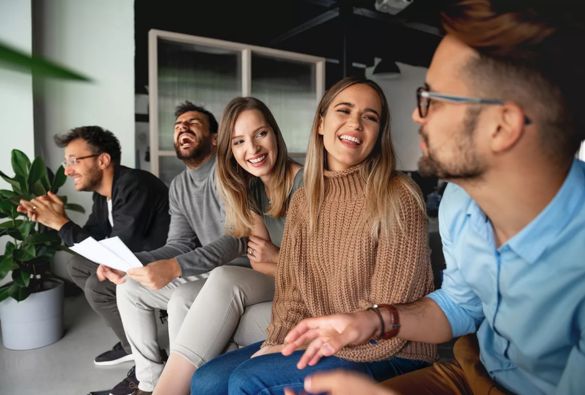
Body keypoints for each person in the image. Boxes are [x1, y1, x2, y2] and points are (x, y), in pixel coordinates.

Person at [281, 1, 585, 394]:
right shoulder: (460, 201)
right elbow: (459, 306)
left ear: (502, 126)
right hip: (469, 372)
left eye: (434, 99)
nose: (416, 116)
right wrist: (373, 321)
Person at [190, 76, 436, 394]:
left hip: (393, 352)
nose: (356, 124)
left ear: (378, 134)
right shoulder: (306, 199)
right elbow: (292, 287)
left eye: (369, 117)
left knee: (247, 381)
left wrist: (315, 344)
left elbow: (391, 310)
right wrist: (279, 342)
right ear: (321, 124)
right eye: (344, 111)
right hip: (325, 339)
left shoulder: (398, 195)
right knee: (205, 381)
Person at [99, 101, 255, 395]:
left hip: (240, 269)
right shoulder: (179, 186)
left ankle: (183, 386)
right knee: (129, 287)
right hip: (208, 270)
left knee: (181, 297)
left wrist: (177, 267)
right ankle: (150, 383)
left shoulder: (231, 172)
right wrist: (131, 262)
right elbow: (179, 243)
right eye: (178, 125)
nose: (183, 127)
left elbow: (237, 239)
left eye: (193, 123)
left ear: (214, 138)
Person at [152, 97, 303, 395]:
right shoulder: (249, 188)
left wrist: (277, 255)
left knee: (223, 281)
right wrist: (276, 259)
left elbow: (324, 270)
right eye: (239, 142)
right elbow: (258, 262)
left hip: (309, 289)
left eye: (260, 134)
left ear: (275, 133)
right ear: (230, 150)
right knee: (183, 297)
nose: (252, 149)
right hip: (280, 279)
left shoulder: (307, 184)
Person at [17, 126, 170, 367]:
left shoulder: (134, 185)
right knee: (77, 265)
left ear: (103, 160)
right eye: (66, 162)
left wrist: (62, 224)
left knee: (97, 287)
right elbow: (91, 241)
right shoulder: (103, 195)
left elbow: (120, 249)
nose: (67, 170)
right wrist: (56, 219)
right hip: (133, 259)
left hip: (161, 264)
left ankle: (146, 352)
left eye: (74, 161)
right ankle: (133, 335)